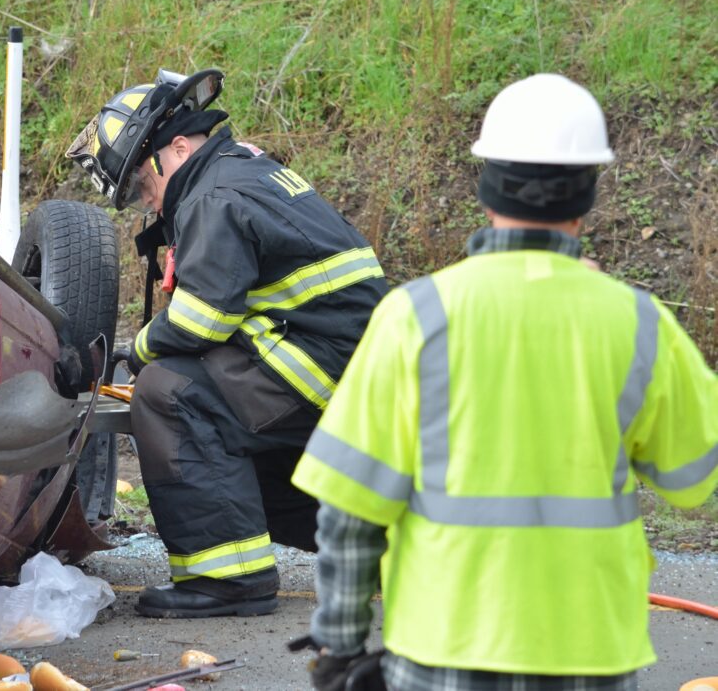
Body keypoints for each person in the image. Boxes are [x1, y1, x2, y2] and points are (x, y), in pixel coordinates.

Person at [291, 73, 718, 690]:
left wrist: (338, 643)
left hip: (443, 648)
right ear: (588, 194)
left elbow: (350, 513)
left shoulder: (416, 315)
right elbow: (692, 478)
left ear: (486, 185)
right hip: (590, 651)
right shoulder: (640, 323)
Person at [66, 69, 389, 617]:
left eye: (144, 186)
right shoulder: (239, 172)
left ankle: (226, 581)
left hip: (323, 365)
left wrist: (135, 352)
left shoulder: (212, 196)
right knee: (219, 439)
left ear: (178, 147)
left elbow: (201, 321)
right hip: (354, 362)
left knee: (171, 394)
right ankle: (378, 545)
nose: (147, 205)